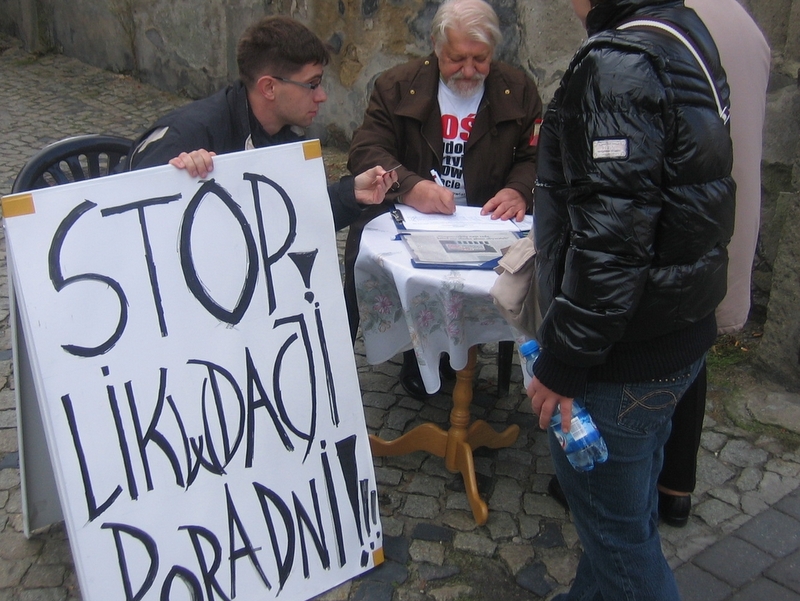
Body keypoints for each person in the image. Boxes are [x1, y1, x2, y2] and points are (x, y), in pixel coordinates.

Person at [527, 0, 735, 599]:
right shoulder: (681, 34)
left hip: (623, 356)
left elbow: (611, 241)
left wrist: (563, 363)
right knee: (624, 519)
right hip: (676, 331)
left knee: (622, 544)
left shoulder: (617, 63)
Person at [344, 0, 543, 398]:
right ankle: (421, 355)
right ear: (436, 47)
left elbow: (538, 155)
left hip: (484, 220)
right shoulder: (396, 85)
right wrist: (411, 186)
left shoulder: (518, 89)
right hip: (414, 219)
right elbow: (366, 151)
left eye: (480, 59)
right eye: (457, 59)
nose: (469, 71)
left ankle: (462, 355)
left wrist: (519, 188)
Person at [657, 0, 771, 527]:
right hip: (726, 209)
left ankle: (634, 481)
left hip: (683, 219)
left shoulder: (668, 20)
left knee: (659, 352)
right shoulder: (738, 19)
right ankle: (677, 483)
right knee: (694, 349)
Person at [126, 16, 397, 231]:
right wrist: (174, 178)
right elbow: (121, 212)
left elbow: (292, 219)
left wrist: (350, 193)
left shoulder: (287, 137)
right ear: (269, 87)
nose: (322, 96)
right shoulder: (190, 133)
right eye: (312, 85)